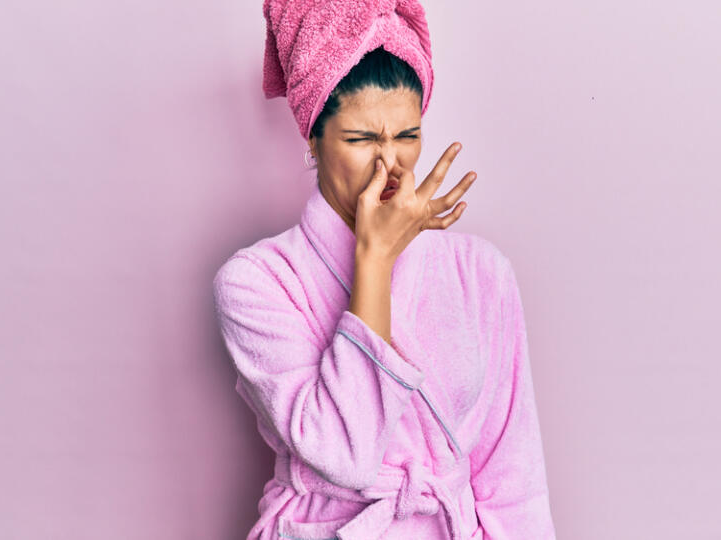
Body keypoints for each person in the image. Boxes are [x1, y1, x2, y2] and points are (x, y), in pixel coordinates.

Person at [213, 2, 556, 538]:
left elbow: (514, 478)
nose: (390, 164)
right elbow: (343, 454)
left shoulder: (481, 271)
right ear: (313, 139)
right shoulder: (257, 281)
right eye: (361, 140)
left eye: (407, 136)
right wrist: (374, 259)